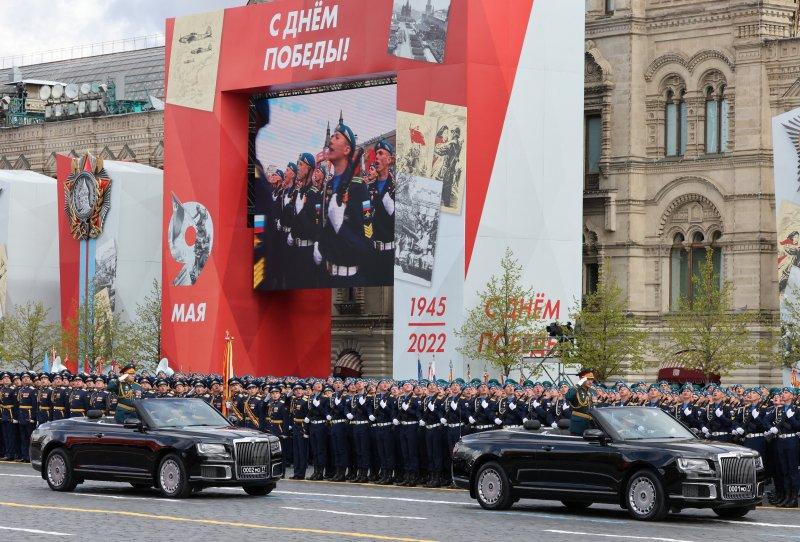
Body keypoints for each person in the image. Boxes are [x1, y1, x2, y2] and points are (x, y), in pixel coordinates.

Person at [316, 123, 373, 286]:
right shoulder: (329, 185)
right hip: (325, 274)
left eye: (337, 137)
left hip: (348, 279)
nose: (331, 141)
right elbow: (325, 224)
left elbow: (367, 243)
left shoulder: (359, 188)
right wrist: (319, 243)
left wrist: (341, 227)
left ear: (347, 150)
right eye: (332, 136)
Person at [365, 140, 395, 285]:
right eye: (376, 153)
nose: (376, 156)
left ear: (389, 160)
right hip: (372, 253)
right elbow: (366, 218)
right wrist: (368, 240)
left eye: (381, 153)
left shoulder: (398, 187)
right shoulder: (369, 188)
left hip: (390, 254)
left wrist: (393, 212)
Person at [288, 382, 309, 480]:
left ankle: (301, 473)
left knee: (302, 451)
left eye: (300, 389)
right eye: (296, 390)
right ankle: (296, 472)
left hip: (302, 427)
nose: (298, 391)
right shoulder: (293, 400)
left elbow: (308, 416)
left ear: (303, 390)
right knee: (296, 451)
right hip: (295, 426)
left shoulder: (305, 401)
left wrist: (306, 431)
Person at [565, 368, 594, 436]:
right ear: (582, 379)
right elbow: (568, 396)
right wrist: (578, 384)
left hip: (589, 423)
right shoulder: (576, 390)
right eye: (588, 379)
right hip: (578, 424)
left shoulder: (591, 391)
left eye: (592, 380)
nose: (590, 382)